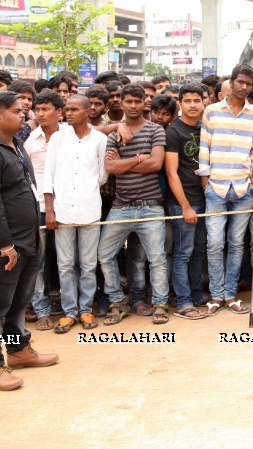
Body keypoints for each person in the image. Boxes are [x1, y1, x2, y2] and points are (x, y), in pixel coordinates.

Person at [0, 91, 58, 390]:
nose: (24, 115)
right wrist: (5, 244)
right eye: (17, 111)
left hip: (28, 239)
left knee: (19, 302)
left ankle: (18, 350)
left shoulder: (16, 144)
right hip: (3, 247)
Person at [196, 64, 253, 316]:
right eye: (240, 82)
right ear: (232, 82)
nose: (244, 87)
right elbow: (204, 149)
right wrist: (206, 182)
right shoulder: (212, 112)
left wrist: (252, 185)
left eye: (248, 84)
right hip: (215, 187)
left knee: (236, 244)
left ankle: (230, 295)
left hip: (243, 188)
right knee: (214, 244)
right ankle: (215, 295)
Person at [98, 84, 169, 325]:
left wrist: (124, 162)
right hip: (121, 206)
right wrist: (140, 158)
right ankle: (118, 302)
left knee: (157, 258)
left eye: (138, 101)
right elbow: (110, 168)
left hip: (150, 205)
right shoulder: (113, 135)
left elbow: (156, 164)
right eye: (129, 101)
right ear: (123, 103)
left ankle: (160, 303)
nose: (134, 105)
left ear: (144, 103)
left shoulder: (156, 130)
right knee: (105, 255)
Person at [42, 95, 108, 333]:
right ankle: (69, 312)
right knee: (65, 264)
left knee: (89, 264)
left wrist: (86, 191)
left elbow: (102, 175)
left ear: (88, 111)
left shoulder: (100, 140)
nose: (68, 113)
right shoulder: (58, 138)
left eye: (73, 109)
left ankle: (86, 309)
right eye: (66, 109)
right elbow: (47, 175)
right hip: (62, 210)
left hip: (89, 208)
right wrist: (49, 208)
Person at [164, 83, 209, 319]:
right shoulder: (173, 131)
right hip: (183, 202)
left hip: (205, 201)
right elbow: (171, 173)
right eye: (188, 101)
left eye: (197, 100)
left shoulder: (205, 129)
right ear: (180, 103)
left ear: (204, 102)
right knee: (183, 252)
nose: (193, 105)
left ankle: (197, 294)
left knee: (199, 250)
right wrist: (185, 206)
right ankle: (183, 301)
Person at [25, 90, 65, 331]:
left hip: (68, 207)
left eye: (46, 109)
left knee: (68, 260)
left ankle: (73, 306)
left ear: (59, 112)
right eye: (38, 110)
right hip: (38, 207)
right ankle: (41, 309)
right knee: (37, 262)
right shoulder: (31, 141)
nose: (41, 114)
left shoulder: (71, 136)